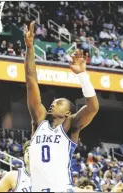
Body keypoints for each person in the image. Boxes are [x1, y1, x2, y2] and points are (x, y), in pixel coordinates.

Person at [23, 21, 99, 192]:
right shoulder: (40, 120)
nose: (53, 103)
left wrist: (82, 76)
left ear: (68, 113)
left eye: (59, 103)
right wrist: (30, 48)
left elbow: (93, 108)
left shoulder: (70, 126)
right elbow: (31, 81)